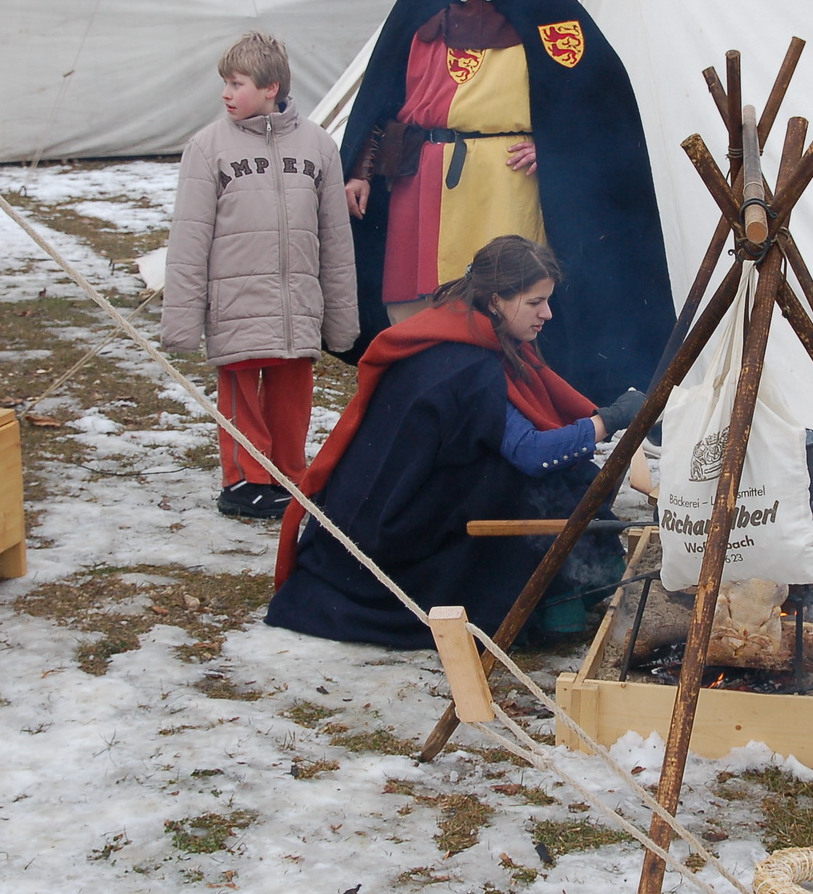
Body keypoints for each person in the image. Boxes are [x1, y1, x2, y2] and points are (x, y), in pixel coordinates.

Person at [341, 0, 674, 402]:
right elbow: (378, 94)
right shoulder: (421, 0)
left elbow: (600, 98)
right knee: (418, 303)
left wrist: (557, 146)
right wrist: (359, 169)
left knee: (507, 298)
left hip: (507, 181)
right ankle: (425, 405)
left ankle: (510, 409)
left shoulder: (547, 5)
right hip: (423, 176)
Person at [265, 236, 645, 648]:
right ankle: (552, 603)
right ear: (496, 300)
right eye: (536, 302)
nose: (547, 313)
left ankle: (562, 596)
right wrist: (609, 419)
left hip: (388, 502)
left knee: (553, 471)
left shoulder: (458, 329)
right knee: (529, 483)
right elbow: (531, 453)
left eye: (547, 301)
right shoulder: (468, 364)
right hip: (391, 533)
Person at [163, 31, 358, 519]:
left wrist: (341, 320)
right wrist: (182, 322)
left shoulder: (317, 146)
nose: (226, 93)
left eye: (237, 83)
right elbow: (189, 238)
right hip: (237, 302)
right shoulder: (207, 148)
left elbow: (336, 240)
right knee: (242, 397)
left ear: (271, 87)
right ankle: (244, 481)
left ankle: (288, 476)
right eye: (225, 83)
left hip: (297, 306)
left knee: (292, 397)